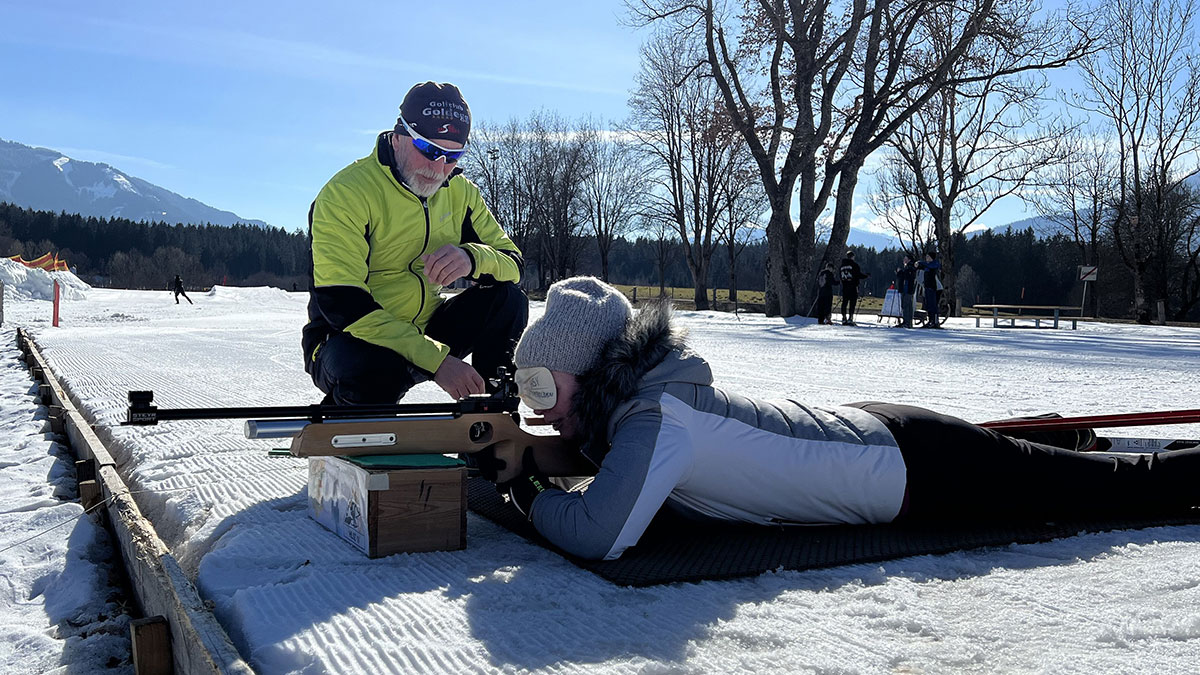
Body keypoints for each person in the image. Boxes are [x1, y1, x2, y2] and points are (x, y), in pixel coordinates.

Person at [491, 276, 1200, 561]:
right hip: (877, 438)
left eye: (540, 384)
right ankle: (1046, 440)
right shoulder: (648, 409)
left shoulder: (657, 420)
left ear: (590, 370)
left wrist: (525, 493)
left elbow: (601, 533)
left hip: (914, 466)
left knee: (1115, 485)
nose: (536, 402)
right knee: (1028, 460)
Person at [302, 82, 528, 404]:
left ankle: (494, 415)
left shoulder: (461, 192)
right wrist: (437, 362)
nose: (438, 169)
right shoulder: (346, 194)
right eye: (429, 150)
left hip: (427, 329)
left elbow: (515, 265)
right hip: (349, 339)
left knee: (507, 299)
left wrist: (472, 259)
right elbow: (345, 305)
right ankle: (354, 419)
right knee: (373, 366)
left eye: (452, 156)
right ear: (399, 136)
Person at [838, 251, 869, 325]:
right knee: (852, 303)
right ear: (852, 257)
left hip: (845, 286)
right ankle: (850, 318)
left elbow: (840, 276)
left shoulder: (841, 266)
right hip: (853, 287)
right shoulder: (854, 265)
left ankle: (844, 318)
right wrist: (866, 276)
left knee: (844, 302)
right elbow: (858, 275)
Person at [915, 252, 943, 328]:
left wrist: (920, 262)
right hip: (927, 287)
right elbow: (922, 267)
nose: (926, 258)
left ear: (931, 258)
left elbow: (930, 266)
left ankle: (935, 321)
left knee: (933, 305)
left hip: (934, 288)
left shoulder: (934, 264)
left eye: (928, 256)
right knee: (929, 305)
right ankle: (931, 320)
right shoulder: (927, 266)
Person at [894, 255, 917, 328]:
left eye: (905, 258)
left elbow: (907, 276)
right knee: (904, 305)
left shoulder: (910, 267)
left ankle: (907, 322)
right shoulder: (907, 267)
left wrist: (900, 272)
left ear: (909, 260)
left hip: (907, 289)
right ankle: (906, 321)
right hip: (904, 289)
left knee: (907, 305)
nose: (904, 260)